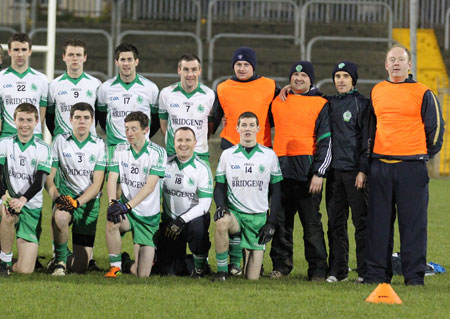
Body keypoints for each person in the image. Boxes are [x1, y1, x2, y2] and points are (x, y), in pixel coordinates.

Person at [364, 44, 444, 286]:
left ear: (410, 65)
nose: (396, 63)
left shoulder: (423, 92)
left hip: (412, 168)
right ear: (386, 65)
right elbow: (370, 129)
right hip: (380, 167)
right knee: (378, 225)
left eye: (401, 59)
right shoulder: (377, 91)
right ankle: (377, 275)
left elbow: (436, 130)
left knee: (413, 226)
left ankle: (413, 277)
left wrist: (419, 154)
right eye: (392, 60)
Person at [213, 47, 279, 275]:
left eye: (246, 65)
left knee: (256, 196)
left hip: (261, 150)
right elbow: (213, 117)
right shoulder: (222, 87)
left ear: (253, 66)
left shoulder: (269, 86)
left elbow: (282, 106)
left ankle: (252, 261)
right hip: (231, 146)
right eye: (238, 64)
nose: (242, 68)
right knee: (232, 203)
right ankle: (232, 264)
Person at [269, 61, 331, 281]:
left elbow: (326, 141)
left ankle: (317, 270)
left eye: (304, 75)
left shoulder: (321, 103)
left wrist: (319, 173)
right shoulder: (278, 100)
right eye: (295, 75)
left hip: (307, 176)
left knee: (312, 225)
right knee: (279, 224)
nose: (298, 78)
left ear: (311, 79)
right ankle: (281, 266)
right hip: (280, 173)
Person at [213, 111, 283, 281]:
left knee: (252, 278)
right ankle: (222, 271)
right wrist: (221, 206)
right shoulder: (227, 155)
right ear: (237, 128)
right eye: (243, 125)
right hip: (235, 215)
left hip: (257, 219)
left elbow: (277, 192)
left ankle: (238, 257)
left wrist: (271, 223)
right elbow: (220, 186)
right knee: (222, 221)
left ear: (258, 128)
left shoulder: (269, 156)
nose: (248, 129)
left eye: (252, 125)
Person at [46, 103, 106, 275]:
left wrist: (77, 202)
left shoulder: (99, 145)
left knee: (80, 268)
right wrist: (58, 198)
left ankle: (63, 257)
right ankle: (59, 262)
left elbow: (97, 184)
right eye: (78, 117)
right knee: (61, 216)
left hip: (88, 205)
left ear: (92, 121)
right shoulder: (59, 141)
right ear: (70, 119)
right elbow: (49, 177)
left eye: (86, 118)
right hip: (66, 198)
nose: (82, 121)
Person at [105, 111, 166, 278]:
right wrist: (112, 204)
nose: (129, 133)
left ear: (146, 130)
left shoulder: (158, 153)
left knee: (142, 275)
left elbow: (150, 186)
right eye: (126, 129)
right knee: (112, 221)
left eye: (133, 129)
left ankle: (126, 264)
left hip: (148, 217)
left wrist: (126, 206)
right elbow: (112, 178)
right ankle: (114, 268)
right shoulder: (120, 149)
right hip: (128, 212)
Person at [325, 61, 369, 283]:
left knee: (361, 222)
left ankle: (364, 271)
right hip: (333, 174)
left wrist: (363, 169)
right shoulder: (329, 103)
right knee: (335, 223)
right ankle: (337, 271)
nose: (340, 80)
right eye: (337, 76)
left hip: (355, 173)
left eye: (345, 76)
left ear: (353, 80)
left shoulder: (362, 104)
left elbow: (366, 140)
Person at [0, 103, 51, 275]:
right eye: (21, 119)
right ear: (14, 120)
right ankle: (4, 262)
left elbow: (40, 180)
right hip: (9, 199)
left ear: (37, 121)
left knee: (25, 270)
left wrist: (23, 200)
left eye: (29, 120)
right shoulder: (4, 143)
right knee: (7, 213)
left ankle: (13, 263)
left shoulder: (43, 148)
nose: (25, 124)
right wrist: (4, 196)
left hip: (31, 206)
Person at [156, 127, 213, 277]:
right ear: (173, 143)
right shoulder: (165, 164)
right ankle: (185, 261)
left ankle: (200, 268)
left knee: (198, 228)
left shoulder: (202, 169)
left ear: (195, 143)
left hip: (192, 220)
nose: (183, 144)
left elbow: (205, 205)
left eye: (188, 140)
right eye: (179, 140)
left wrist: (182, 220)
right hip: (170, 221)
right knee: (170, 272)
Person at [97, 43, 159, 159]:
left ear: (136, 61)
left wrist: (143, 136)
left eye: (129, 59)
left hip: (140, 147)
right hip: (114, 148)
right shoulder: (105, 88)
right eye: (122, 60)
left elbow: (156, 120)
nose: (126, 63)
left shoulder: (150, 88)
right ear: (116, 62)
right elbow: (101, 117)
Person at [159, 54, 215, 162]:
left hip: (200, 154)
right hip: (173, 154)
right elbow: (163, 122)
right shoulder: (166, 93)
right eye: (186, 70)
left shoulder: (209, 95)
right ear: (179, 70)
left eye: (194, 70)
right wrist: (174, 143)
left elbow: (210, 125)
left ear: (200, 71)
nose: (190, 74)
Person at [47, 39, 101, 136]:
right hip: (62, 142)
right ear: (64, 57)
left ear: (85, 57)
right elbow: (49, 118)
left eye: (78, 55)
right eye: (71, 55)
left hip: (88, 143)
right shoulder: (53, 85)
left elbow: (98, 116)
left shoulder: (95, 84)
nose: (75, 58)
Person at [0, 33, 48, 138]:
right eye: (16, 50)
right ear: (9, 52)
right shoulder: (1, 77)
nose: (20, 54)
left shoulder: (41, 79)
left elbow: (42, 111)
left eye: (24, 50)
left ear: (30, 51)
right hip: (7, 137)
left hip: (34, 137)